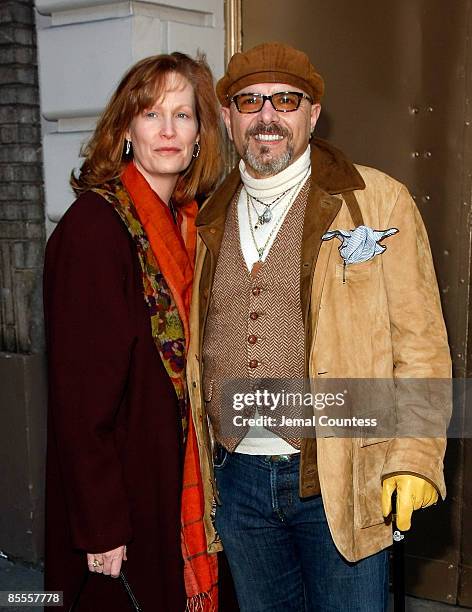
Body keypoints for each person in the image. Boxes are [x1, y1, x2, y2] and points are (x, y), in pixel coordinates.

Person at [186, 42, 451, 611]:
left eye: (286, 100)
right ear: (229, 118)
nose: (267, 117)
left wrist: (414, 456)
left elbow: (422, 346)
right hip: (238, 482)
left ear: (312, 113)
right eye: (249, 101)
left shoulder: (376, 201)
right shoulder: (205, 217)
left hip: (339, 475)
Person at [44, 52, 222, 611]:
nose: (168, 130)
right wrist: (100, 527)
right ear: (125, 130)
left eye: (183, 115)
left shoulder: (192, 226)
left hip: (178, 485)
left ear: (200, 134)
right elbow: (80, 400)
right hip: (124, 504)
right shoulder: (95, 230)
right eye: (150, 114)